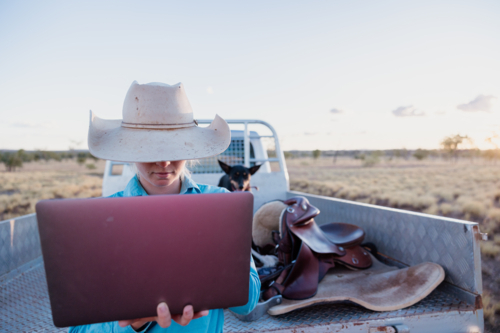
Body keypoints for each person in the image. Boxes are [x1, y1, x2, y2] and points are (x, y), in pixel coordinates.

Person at [69, 81, 260, 333]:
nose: (164, 160)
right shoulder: (102, 219)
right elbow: (78, 329)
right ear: (129, 149)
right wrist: (133, 323)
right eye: (150, 148)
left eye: (175, 146)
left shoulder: (221, 203)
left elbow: (248, 303)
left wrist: (219, 261)